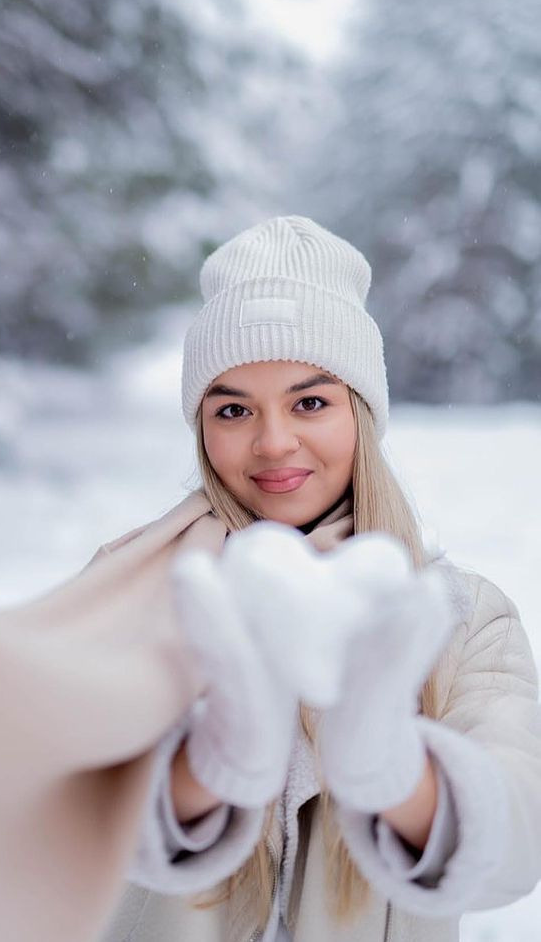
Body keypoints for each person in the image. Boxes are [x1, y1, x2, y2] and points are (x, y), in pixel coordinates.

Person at [98, 216, 541, 942]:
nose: (273, 442)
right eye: (233, 408)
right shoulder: (138, 591)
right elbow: (59, 802)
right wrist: (206, 770)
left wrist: (401, 776)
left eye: (310, 401)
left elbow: (521, 829)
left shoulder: (459, 618)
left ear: (362, 412)